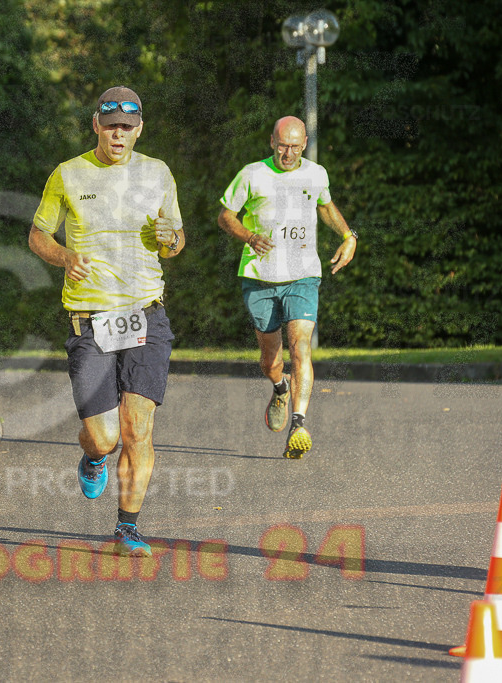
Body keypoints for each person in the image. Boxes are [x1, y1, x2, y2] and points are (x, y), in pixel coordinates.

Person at [28, 85, 185, 557]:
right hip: (90, 317)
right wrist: (64, 256)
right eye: (111, 126)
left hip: (146, 313)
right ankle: (93, 456)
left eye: (128, 128)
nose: (119, 135)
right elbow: (38, 235)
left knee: (139, 428)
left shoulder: (158, 173)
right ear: (96, 124)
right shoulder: (68, 174)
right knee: (105, 436)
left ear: (139, 130)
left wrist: (170, 238)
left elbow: (176, 241)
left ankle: (128, 527)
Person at [217, 116, 356, 459]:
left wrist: (348, 235)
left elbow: (325, 206)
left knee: (300, 346)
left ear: (304, 143)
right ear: (271, 141)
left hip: (303, 274)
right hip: (259, 278)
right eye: (282, 145)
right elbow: (225, 216)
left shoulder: (316, 173)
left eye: (295, 145)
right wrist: (249, 236)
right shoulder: (251, 174)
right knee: (271, 360)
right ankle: (279, 388)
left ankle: (299, 423)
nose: (288, 152)